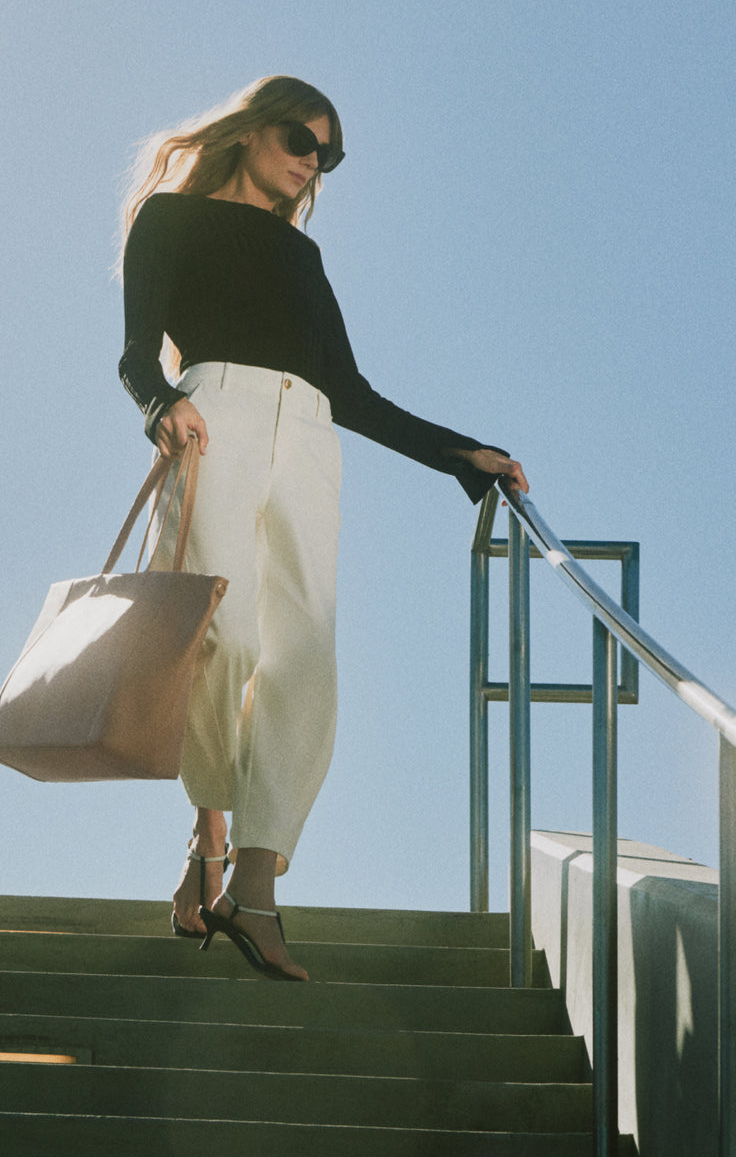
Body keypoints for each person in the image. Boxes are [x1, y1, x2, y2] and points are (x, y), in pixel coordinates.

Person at [118, 75, 528, 982]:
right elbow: (136, 350)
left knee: (303, 656)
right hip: (210, 417)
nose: (312, 164)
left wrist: (465, 453)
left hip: (308, 438)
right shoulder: (168, 221)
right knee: (216, 634)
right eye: (303, 141)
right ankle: (212, 834)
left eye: (327, 156)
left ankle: (256, 888)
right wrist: (161, 407)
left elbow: (355, 395)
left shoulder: (301, 259)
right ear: (253, 130)